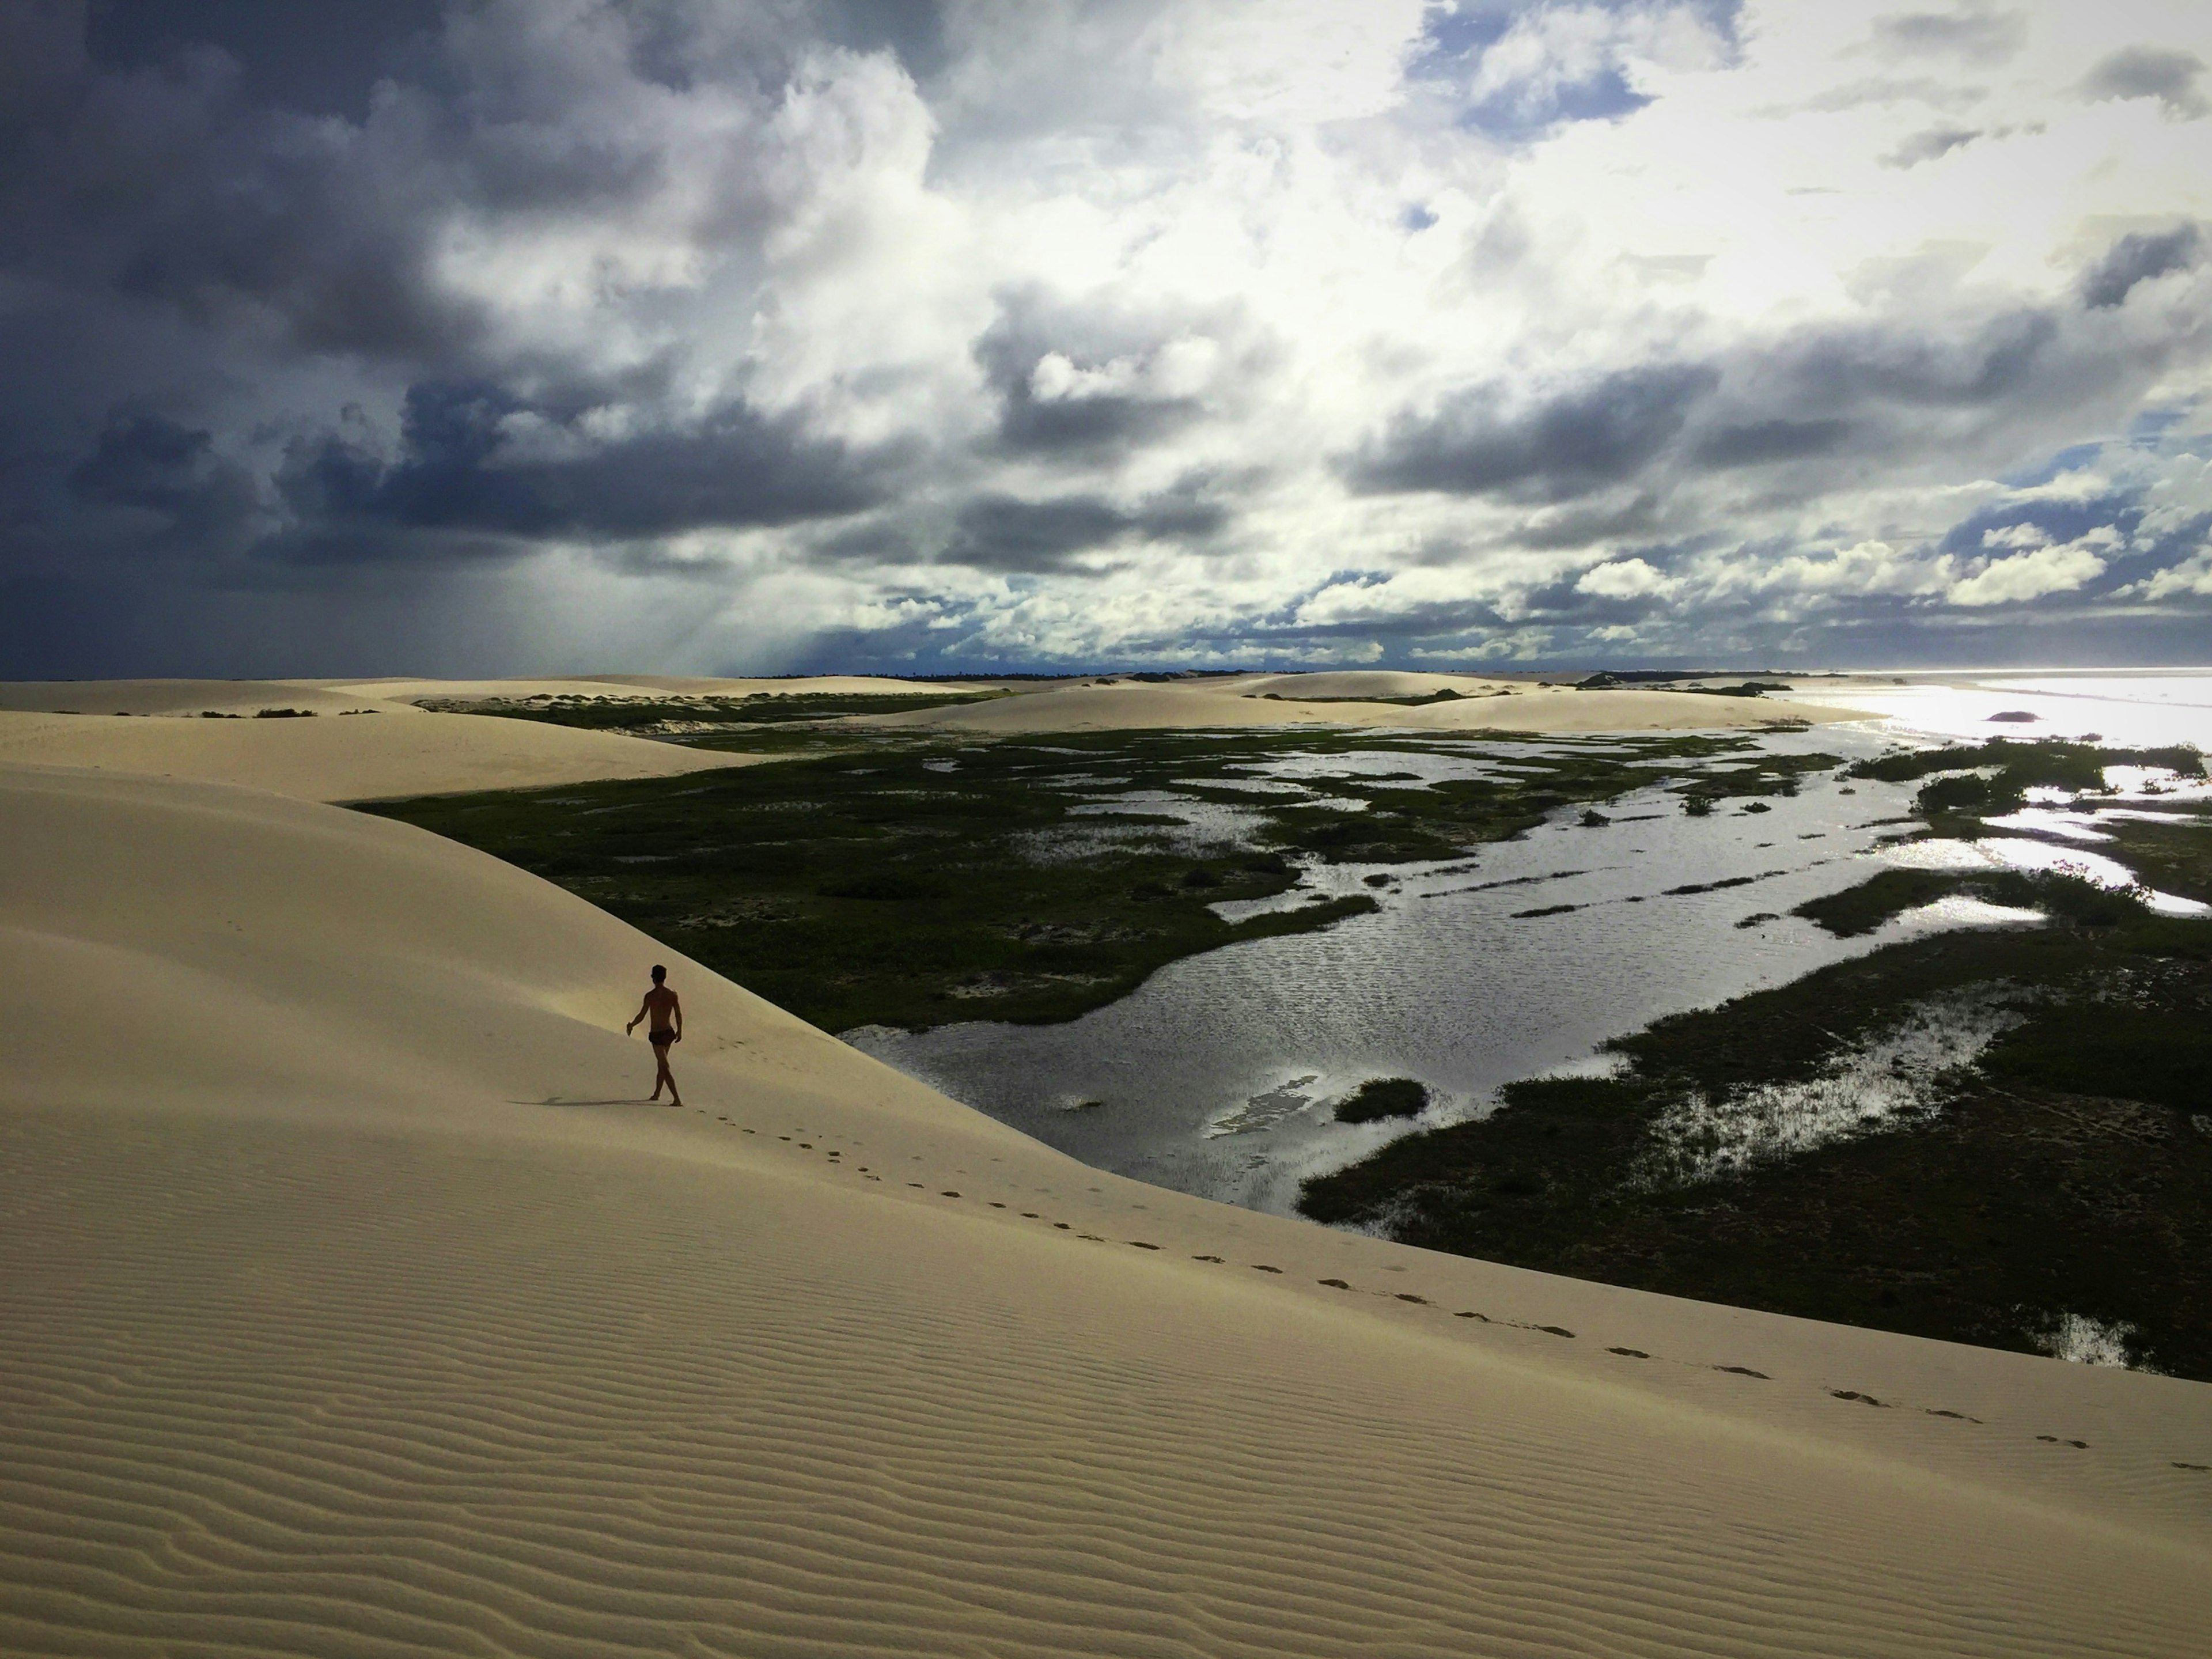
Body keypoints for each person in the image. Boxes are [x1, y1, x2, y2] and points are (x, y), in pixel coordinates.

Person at [625, 964, 684, 1107]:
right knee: (661, 1064)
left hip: (657, 1034)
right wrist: (680, 1031)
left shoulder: (650, 996)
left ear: (654, 978)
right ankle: (657, 1093)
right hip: (669, 1033)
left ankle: (676, 1098)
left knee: (664, 1065)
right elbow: (678, 1014)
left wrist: (632, 1025)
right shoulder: (672, 994)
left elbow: (642, 1015)